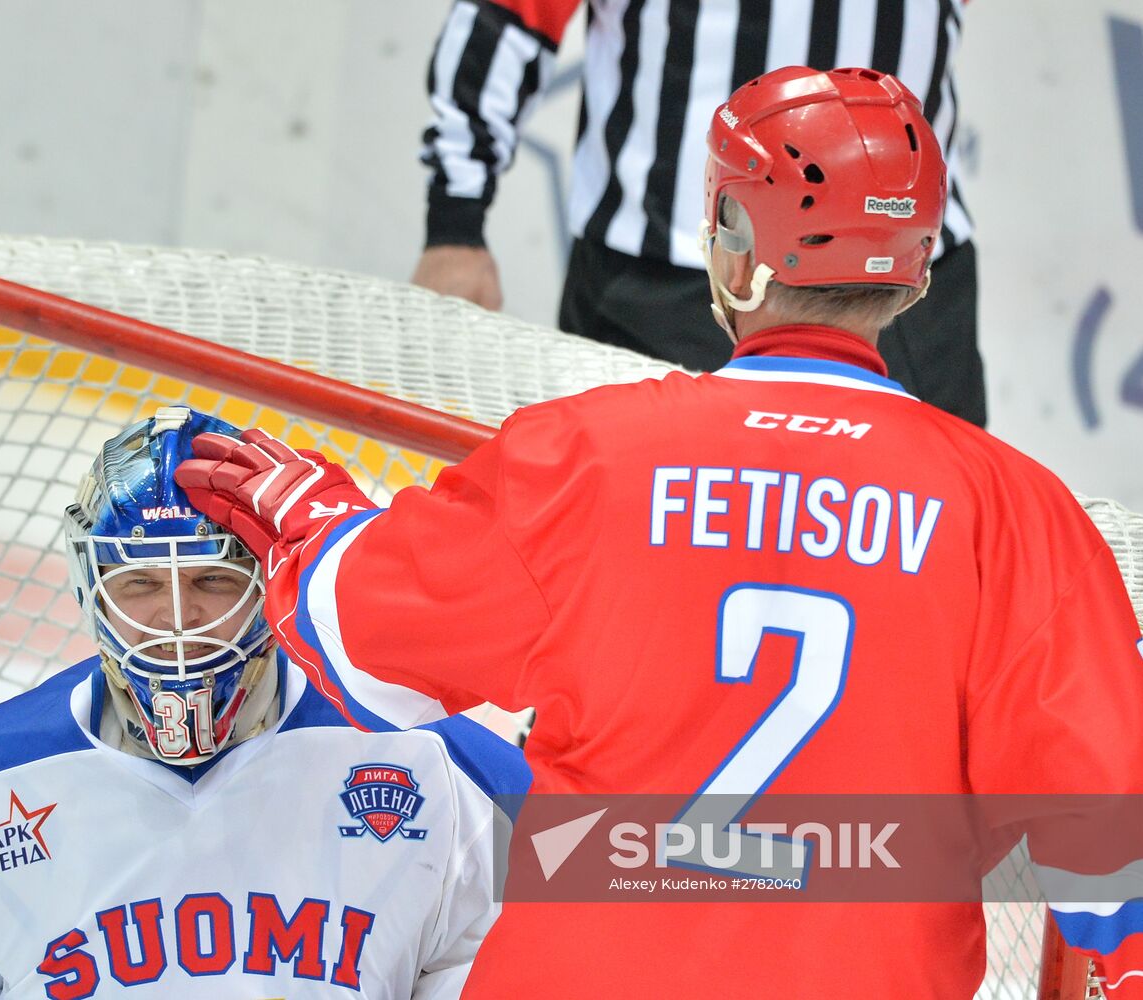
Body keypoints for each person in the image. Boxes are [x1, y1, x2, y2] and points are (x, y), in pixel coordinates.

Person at [180, 70, 1143, 996]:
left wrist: (319, 526)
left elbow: (363, 645)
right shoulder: (1012, 513)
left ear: (736, 246)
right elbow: (1117, 853)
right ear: (916, 267)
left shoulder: (591, 456)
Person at [0, 406, 528, 999]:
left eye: (213, 579)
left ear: (271, 583)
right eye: (138, 583)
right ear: (91, 587)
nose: (176, 619)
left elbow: (623, 862)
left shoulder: (428, 757)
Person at [412, 0, 987, 427]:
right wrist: (455, 224)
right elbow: (507, 17)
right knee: (626, 540)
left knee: (923, 548)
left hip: (901, 293)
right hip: (663, 286)